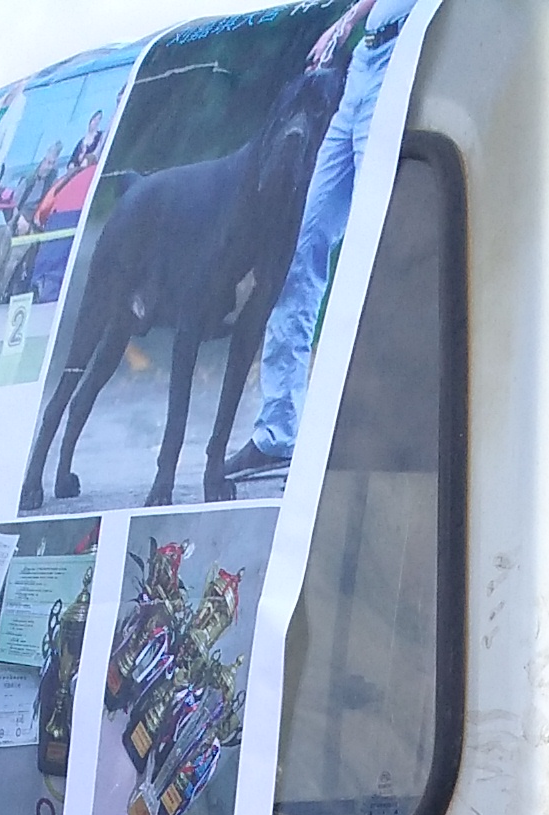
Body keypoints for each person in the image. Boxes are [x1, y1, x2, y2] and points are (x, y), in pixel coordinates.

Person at [219, 0, 412, 484]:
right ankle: (278, 434)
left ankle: (385, 427)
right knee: (300, 251)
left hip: (403, 54)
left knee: (379, 241)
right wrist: (348, 20)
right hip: (364, 62)